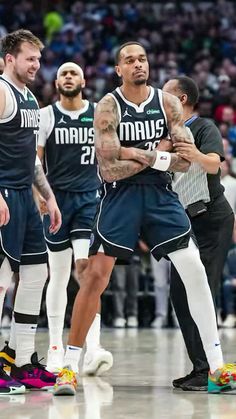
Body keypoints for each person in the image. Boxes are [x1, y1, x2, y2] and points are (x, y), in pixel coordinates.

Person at [53, 42, 236, 396]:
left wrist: (131, 152)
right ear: (118, 69)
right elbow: (107, 167)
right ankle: (69, 367)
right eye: (129, 60)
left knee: (194, 268)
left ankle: (216, 368)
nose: (138, 64)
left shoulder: (167, 103)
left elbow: (184, 160)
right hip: (120, 196)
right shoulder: (108, 105)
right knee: (95, 277)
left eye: (143, 59)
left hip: (160, 194)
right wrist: (154, 152)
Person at [37, 62, 113, 375]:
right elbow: (35, 160)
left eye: (74, 72)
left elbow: (111, 155)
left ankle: (91, 348)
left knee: (87, 273)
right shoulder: (45, 116)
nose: (69, 76)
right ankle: (55, 347)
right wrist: (39, 195)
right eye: (63, 73)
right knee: (57, 275)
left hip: (88, 201)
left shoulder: (98, 113)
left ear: (84, 80)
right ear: (56, 83)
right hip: (56, 203)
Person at [162, 76, 235, 391]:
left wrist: (190, 152)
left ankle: (210, 369)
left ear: (180, 97)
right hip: (185, 224)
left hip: (212, 220)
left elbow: (214, 165)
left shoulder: (203, 127)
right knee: (179, 293)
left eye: (164, 94)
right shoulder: (164, 134)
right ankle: (201, 367)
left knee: (204, 292)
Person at [0, 29, 62, 394]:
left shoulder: (30, 98)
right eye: (29, 58)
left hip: (25, 195)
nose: (36, 65)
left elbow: (30, 160)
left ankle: (22, 359)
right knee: (2, 279)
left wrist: (49, 197)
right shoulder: (2, 91)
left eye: (39, 59)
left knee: (37, 275)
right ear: (10, 58)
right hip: (4, 194)